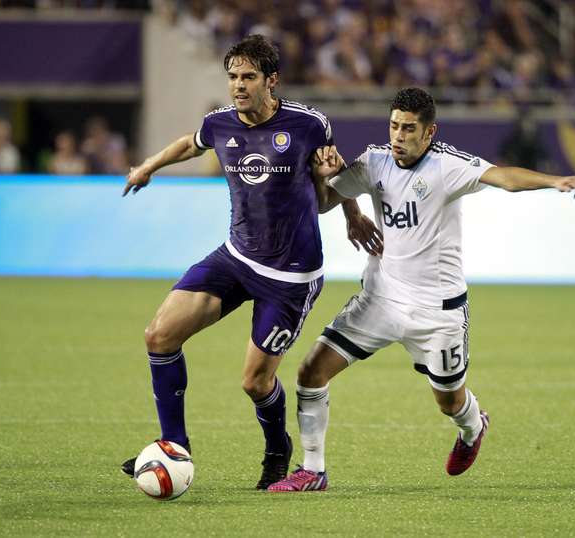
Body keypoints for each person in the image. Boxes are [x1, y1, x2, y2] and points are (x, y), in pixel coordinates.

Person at [267, 87, 575, 492]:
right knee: (311, 371)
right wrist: (320, 174)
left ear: (429, 131)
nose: (398, 136)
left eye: (409, 129)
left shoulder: (446, 166)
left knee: (449, 401)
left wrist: (553, 180)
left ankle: (473, 427)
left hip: (438, 312)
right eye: (394, 126)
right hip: (380, 300)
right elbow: (326, 201)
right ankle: (313, 470)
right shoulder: (375, 161)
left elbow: (503, 177)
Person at [119, 34, 381, 489]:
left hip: (291, 276)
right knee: (159, 336)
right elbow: (190, 143)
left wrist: (353, 213)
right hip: (236, 257)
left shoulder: (308, 124)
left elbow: (330, 177)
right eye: (233, 77)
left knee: (255, 384)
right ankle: (174, 445)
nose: (238, 86)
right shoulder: (220, 124)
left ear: (271, 80)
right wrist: (149, 165)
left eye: (248, 77)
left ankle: (278, 448)